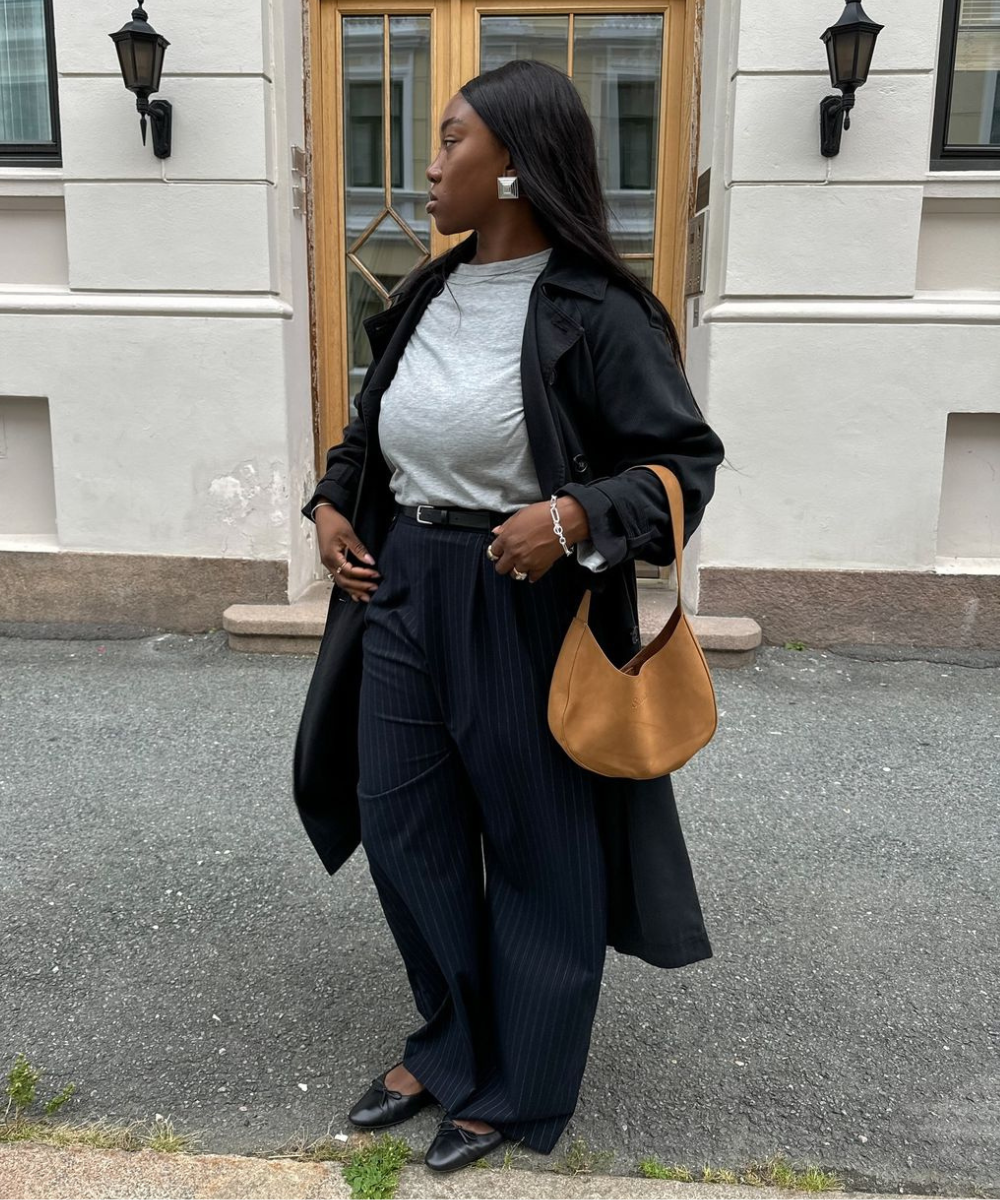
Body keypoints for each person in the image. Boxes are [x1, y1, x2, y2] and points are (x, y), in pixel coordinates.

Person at [296, 58, 726, 1173]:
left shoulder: (601, 311)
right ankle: (450, 1042)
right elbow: (369, 431)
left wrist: (575, 515)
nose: (429, 166)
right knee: (402, 824)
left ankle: (521, 1084)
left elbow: (681, 464)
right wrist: (334, 504)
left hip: (524, 598)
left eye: (451, 144)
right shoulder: (424, 294)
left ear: (513, 170)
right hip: (401, 590)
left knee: (538, 844)